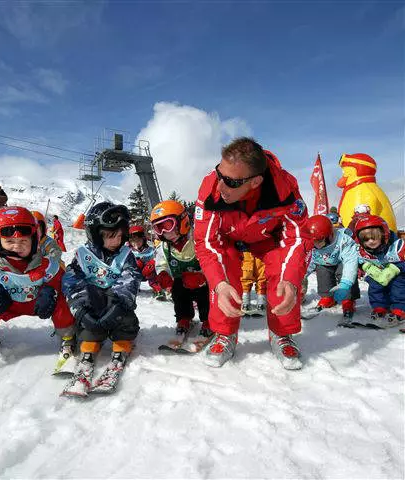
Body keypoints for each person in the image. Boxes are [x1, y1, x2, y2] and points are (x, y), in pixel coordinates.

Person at [193, 137, 311, 370]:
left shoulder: (284, 189)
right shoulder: (211, 188)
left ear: (256, 181)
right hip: (228, 237)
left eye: (231, 182)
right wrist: (218, 283)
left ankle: (282, 334)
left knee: (284, 274)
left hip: (267, 238)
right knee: (222, 269)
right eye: (219, 174)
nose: (220, 186)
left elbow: (297, 237)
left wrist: (291, 279)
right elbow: (206, 242)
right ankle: (224, 333)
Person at [0, 206, 75, 361]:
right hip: (5, 304)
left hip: (37, 304)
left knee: (63, 299)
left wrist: (51, 291)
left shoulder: (47, 265)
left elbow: (60, 280)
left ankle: (68, 337)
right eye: (9, 241)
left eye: (23, 241)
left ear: (34, 240)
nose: (17, 246)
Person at [62, 202, 142, 394]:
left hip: (116, 303)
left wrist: (120, 303)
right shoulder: (83, 255)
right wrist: (80, 308)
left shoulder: (125, 255)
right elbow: (72, 280)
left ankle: (121, 348)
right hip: (93, 302)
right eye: (110, 235)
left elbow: (130, 278)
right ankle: (88, 351)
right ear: (96, 234)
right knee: (88, 325)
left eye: (120, 235)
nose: (116, 240)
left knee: (126, 321)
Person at [150, 200, 211, 338]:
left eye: (168, 225)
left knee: (205, 295)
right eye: (159, 228)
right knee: (178, 290)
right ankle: (184, 317)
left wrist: (201, 275)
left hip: (204, 283)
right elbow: (161, 263)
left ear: (182, 221)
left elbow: (212, 261)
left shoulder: (198, 240)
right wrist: (163, 274)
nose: (166, 232)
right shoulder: (165, 247)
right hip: (183, 282)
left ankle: (208, 319)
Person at [303, 215, 360, 322]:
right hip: (325, 262)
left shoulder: (344, 240)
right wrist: (301, 276)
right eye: (313, 241)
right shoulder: (312, 246)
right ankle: (327, 297)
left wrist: (346, 284)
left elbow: (350, 262)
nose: (316, 245)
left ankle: (348, 300)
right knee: (322, 271)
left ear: (329, 236)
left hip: (342, 262)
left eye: (319, 241)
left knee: (343, 271)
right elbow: (309, 261)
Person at [353, 214, 405, 328]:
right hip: (378, 272)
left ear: (383, 234)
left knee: (398, 286)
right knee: (374, 284)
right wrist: (366, 266)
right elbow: (359, 261)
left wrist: (394, 269)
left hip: (398, 273)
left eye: (374, 237)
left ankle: (400, 308)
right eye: (366, 240)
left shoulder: (397, 246)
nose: (370, 242)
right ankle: (379, 306)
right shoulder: (363, 251)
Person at [128, 225, 166, 300]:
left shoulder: (150, 250)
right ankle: (131, 288)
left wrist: (151, 263)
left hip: (148, 273)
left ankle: (157, 289)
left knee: (152, 269)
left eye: (139, 240)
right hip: (134, 273)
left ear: (143, 240)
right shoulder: (128, 251)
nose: (136, 243)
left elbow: (157, 258)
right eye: (133, 241)